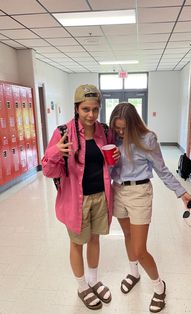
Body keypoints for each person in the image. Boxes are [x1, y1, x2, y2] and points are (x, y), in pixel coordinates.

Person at [109, 102, 191, 313]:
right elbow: (108, 168)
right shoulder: (113, 140)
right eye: (116, 128)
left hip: (140, 194)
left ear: (134, 124)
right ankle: (134, 273)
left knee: (139, 249)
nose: (120, 132)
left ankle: (159, 286)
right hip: (118, 191)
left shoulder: (148, 139)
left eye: (123, 128)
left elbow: (162, 170)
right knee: (127, 236)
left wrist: (181, 192)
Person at [42, 84, 118, 311]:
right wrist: (56, 151)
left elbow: (108, 165)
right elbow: (48, 171)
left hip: (101, 197)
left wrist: (116, 155)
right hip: (77, 200)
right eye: (85, 109)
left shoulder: (103, 131)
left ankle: (93, 280)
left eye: (95, 109)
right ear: (77, 108)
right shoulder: (63, 132)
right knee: (77, 243)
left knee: (95, 239)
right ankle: (82, 285)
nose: (91, 115)